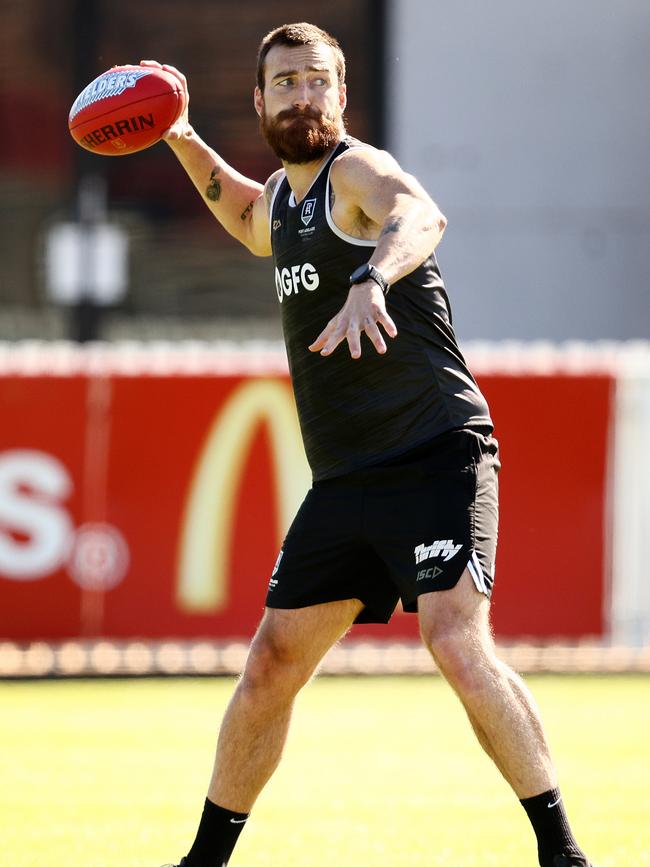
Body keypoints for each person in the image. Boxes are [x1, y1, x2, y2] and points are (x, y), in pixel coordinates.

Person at [144, 22, 592, 867]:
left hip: (433, 451)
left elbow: (419, 212)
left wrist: (371, 277)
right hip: (347, 479)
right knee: (272, 661)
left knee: (455, 638)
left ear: (341, 96)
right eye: (285, 82)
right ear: (261, 100)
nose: (302, 95)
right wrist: (179, 133)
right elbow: (243, 214)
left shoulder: (355, 171)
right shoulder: (281, 197)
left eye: (317, 80)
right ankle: (202, 862)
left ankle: (562, 852)